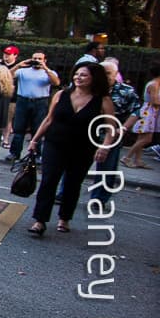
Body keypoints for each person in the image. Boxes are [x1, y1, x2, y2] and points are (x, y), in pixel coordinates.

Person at [26, 63, 116, 236]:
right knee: (48, 181)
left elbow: (110, 127)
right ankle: (40, 220)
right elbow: (48, 119)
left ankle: (64, 218)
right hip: (55, 143)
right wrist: (35, 140)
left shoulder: (103, 100)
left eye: (84, 75)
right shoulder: (61, 95)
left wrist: (105, 147)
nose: (78, 78)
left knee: (73, 183)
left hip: (83, 147)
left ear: (94, 79)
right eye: (77, 74)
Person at [90, 59, 140, 201]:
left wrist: (124, 128)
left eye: (108, 73)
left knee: (107, 168)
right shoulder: (91, 88)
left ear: (116, 74)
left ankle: (100, 198)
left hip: (112, 134)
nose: (105, 76)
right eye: (102, 73)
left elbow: (135, 111)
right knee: (75, 164)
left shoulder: (126, 91)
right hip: (89, 131)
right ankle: (63, 194)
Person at [7, 51, 60, 161]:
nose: (36, 60)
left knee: (37, 129)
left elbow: (56, 83)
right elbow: (7, 76)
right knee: (19, 128)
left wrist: (45, 68)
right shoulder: (23, 71)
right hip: (23, 100)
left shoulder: (50, 72)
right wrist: (18, 65)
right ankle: (14, 153)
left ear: (45, 60)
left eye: (40, 59)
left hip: (40, 101)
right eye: (34, 58)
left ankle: (36, 154)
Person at [123, 62, 160, 169]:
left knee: (142, 138)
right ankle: (127, 157)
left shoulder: (155, 84)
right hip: (149, 112)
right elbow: (155, 101)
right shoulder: (154, 85)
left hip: (151, 112)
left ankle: (138, 160)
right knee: (147, 138)